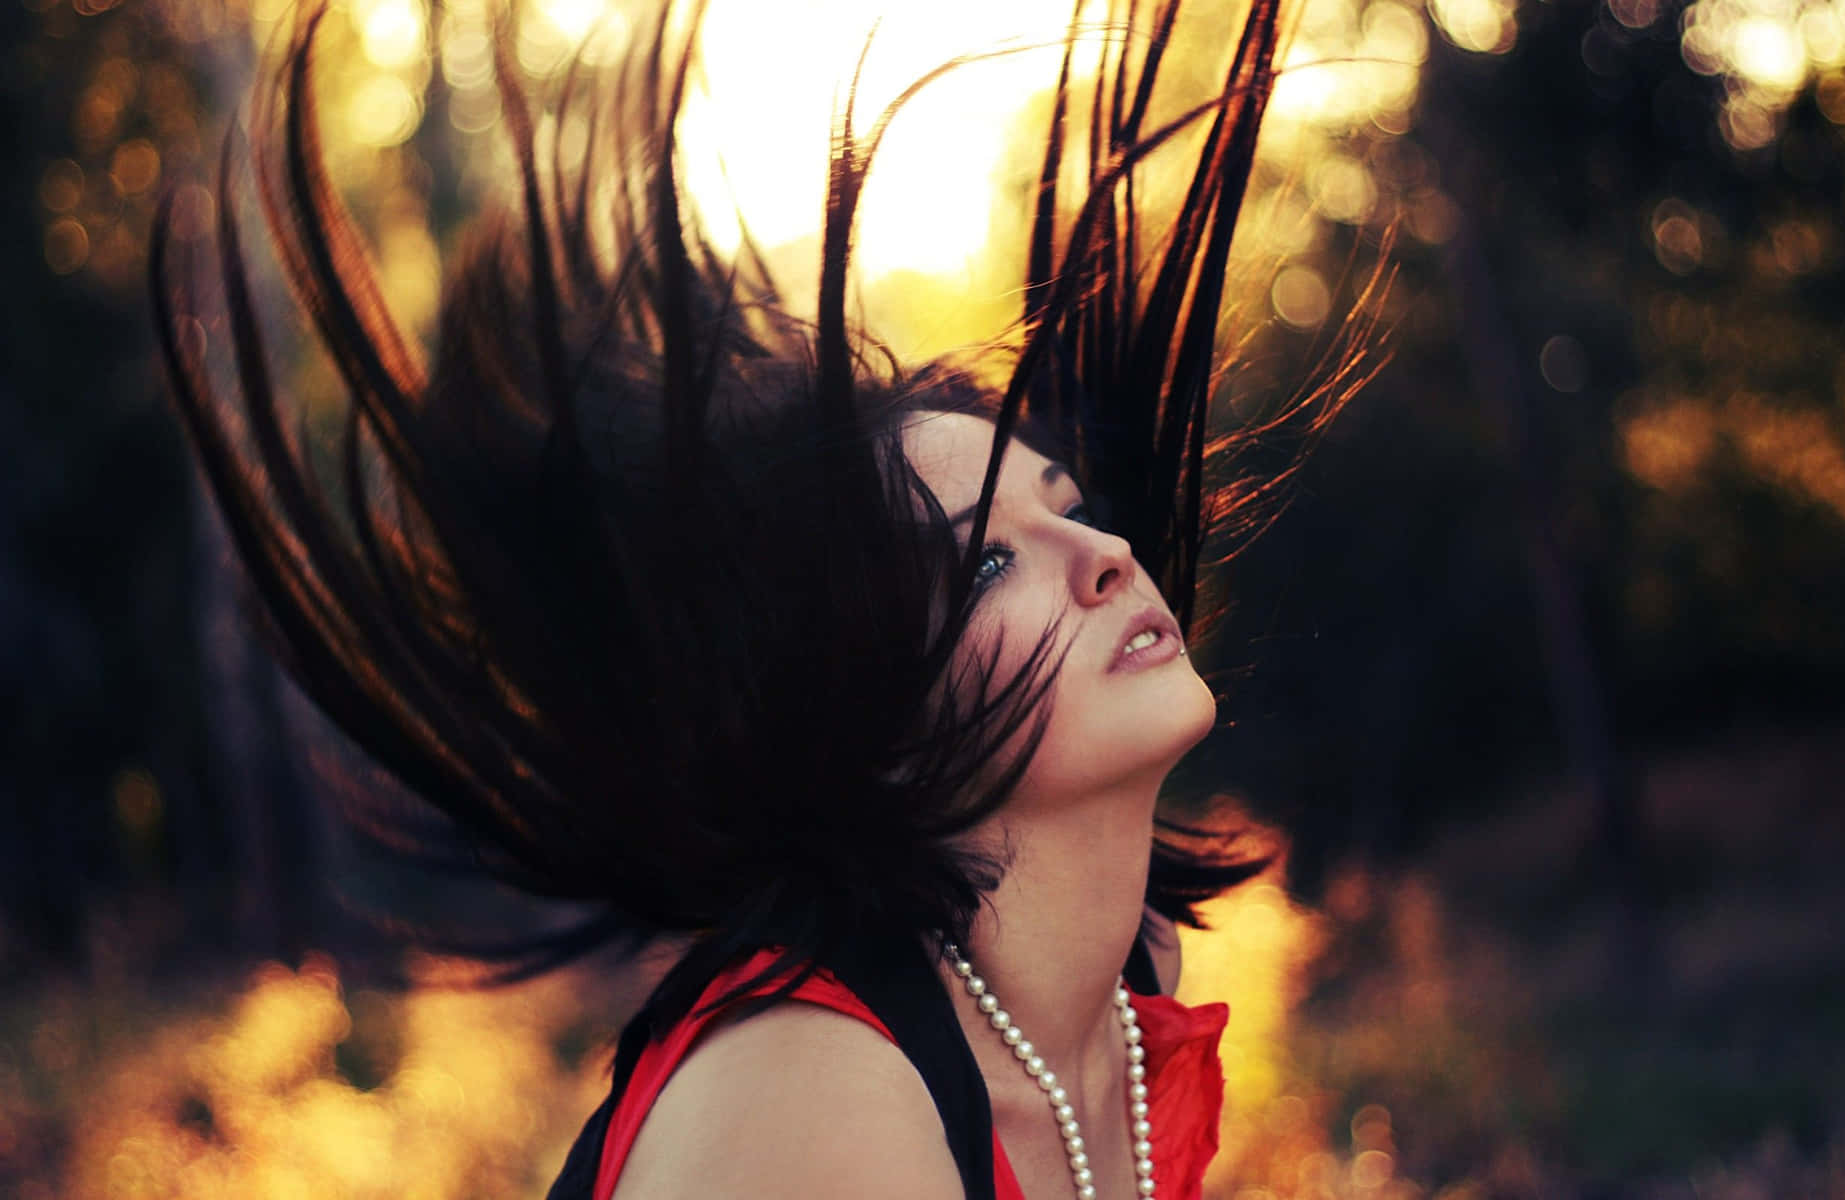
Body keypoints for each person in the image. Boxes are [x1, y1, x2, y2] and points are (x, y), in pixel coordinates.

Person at [150, 0, 1373, 1195]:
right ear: (876, 725)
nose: (1102, 556)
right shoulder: (819, 1099)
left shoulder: (1124, 991)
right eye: (987, 564)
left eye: (1068, 503)